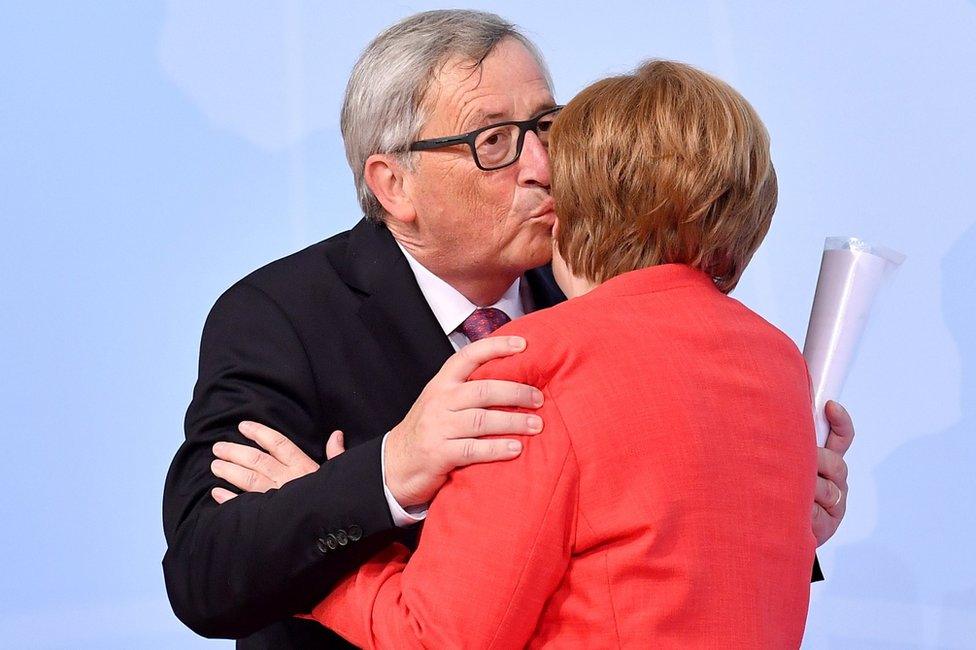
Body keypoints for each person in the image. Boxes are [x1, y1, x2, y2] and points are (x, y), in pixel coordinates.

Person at [162, 10, 854, 648]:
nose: (541, 167)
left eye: (547, 126)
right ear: (392, 184)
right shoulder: (283, 316)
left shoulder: (602, 306)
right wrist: (389, 471)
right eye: (493, 140)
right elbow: (205, 573)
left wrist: (786, 512)